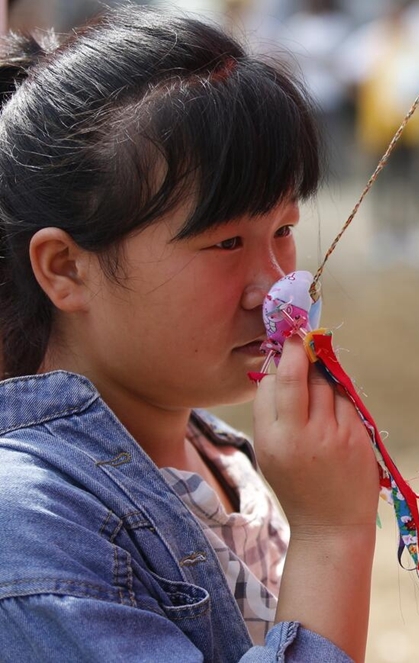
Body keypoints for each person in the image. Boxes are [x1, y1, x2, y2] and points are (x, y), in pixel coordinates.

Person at [0, 6, 380, 662]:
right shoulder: (28, 524)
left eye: (283, 231)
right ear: (66, 269)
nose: (276, 287)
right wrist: (332, 535)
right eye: (226, 240)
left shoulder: (215, 453)